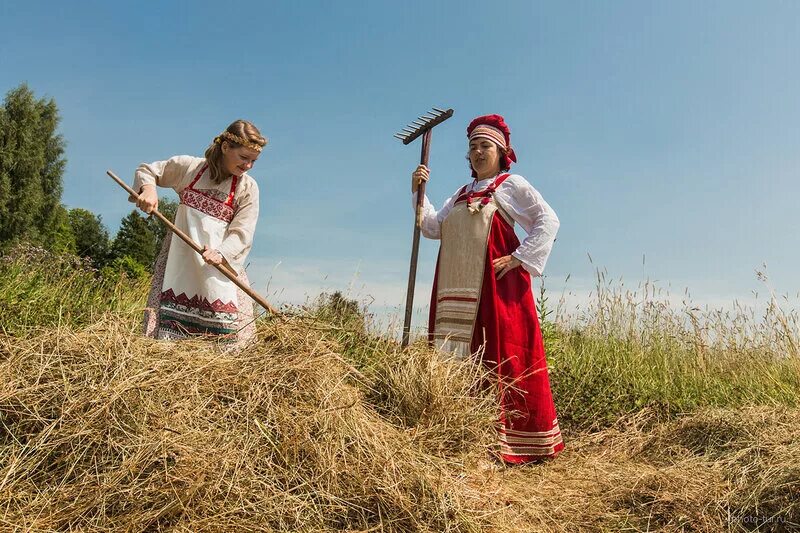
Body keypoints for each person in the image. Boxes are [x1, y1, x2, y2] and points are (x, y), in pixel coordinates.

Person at [411, 114, 563, 464]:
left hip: (496, 290)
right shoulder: (461, 194)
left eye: (485, 146)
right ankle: (462, 433)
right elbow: (433, 228)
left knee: (500, 356)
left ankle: (511, 441)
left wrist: (519, 257)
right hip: (455, 289)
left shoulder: (511, 185)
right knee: (459, 360)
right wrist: (419, 193)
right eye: (473, 147)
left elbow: (548, 220)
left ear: (501, 151)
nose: (478, 152)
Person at [131, 119, 266, 349]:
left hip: (220, 267)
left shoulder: (247, 187)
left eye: (253, 161)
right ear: (225, 147)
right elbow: (149, 171)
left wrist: (221, 253)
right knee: (166, 341)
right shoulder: (189, 168)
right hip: (179, 261)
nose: (248, 166)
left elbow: (243, 231)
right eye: (244, 158)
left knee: (231, 341)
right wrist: (150, 190)